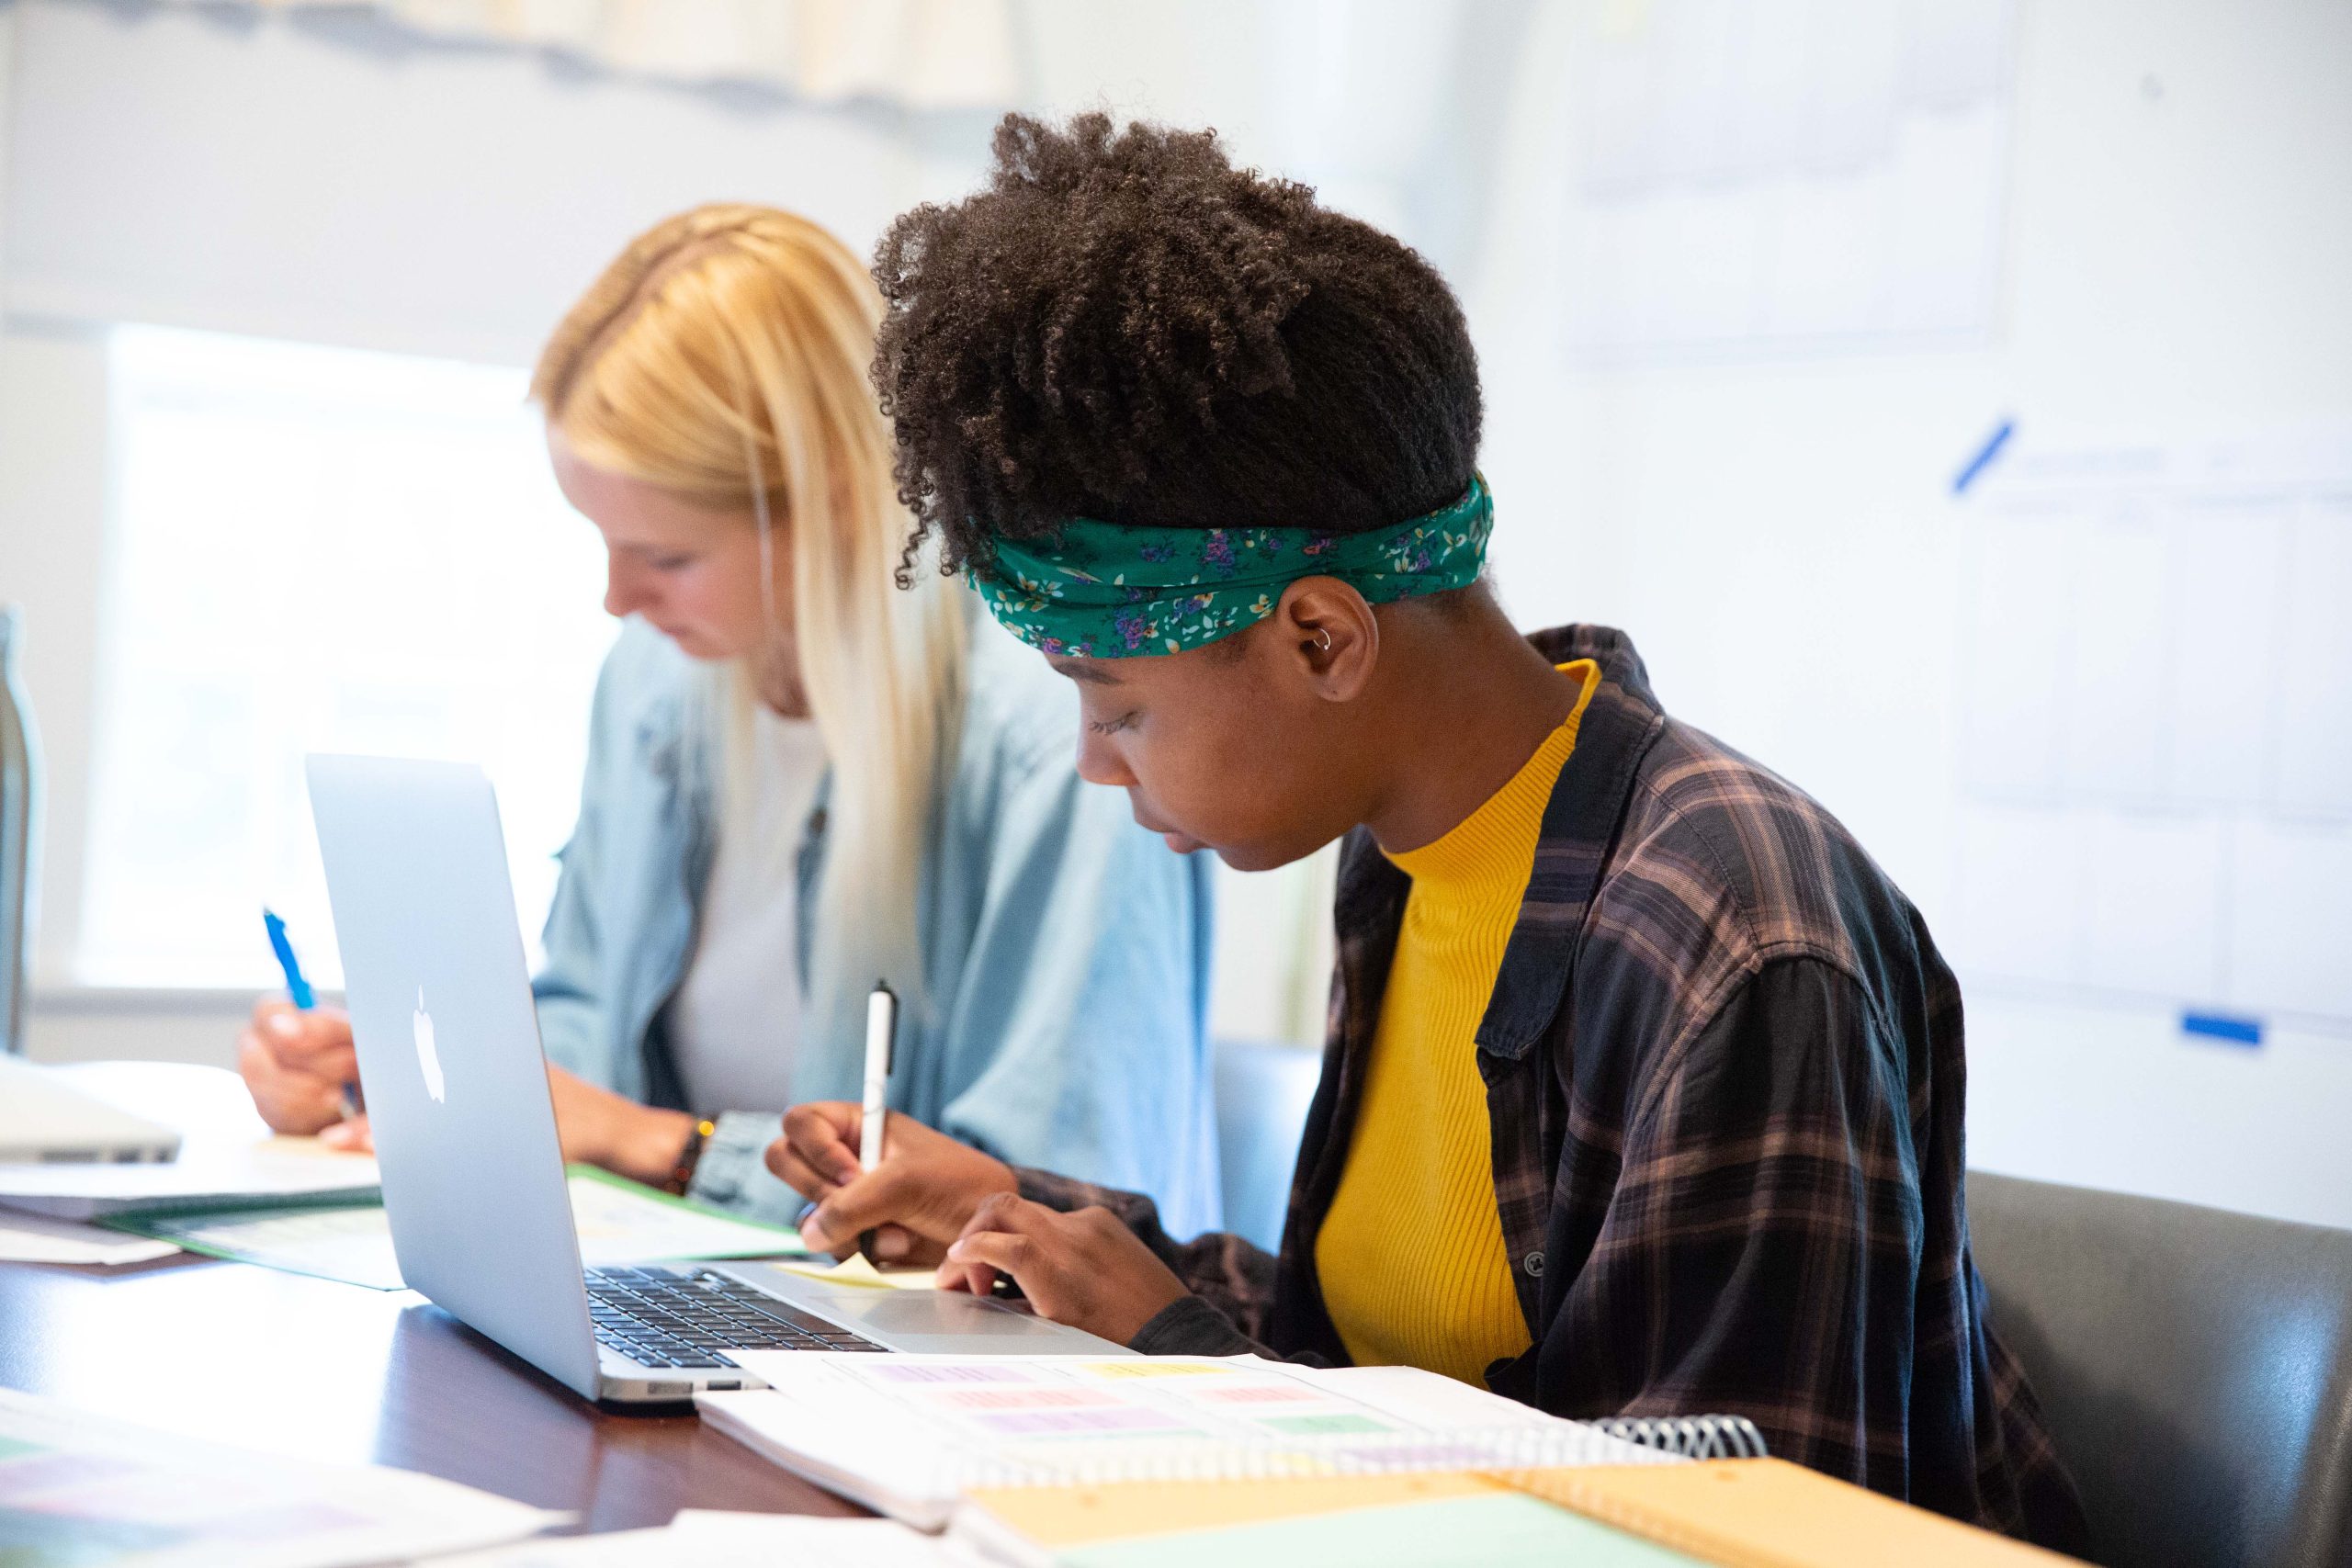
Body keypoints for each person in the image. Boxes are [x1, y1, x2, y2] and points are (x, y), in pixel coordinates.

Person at [765, 116, 2086, 1549]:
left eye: (1118, 704)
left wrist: (1189, 1351)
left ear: (1322, 637)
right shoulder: (1406, 845)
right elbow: (1414, 1364)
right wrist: (1038, 1214)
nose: (1090, 761)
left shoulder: (1736, 937)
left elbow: (1718, 1523)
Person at [236, 203, 1220, 1234]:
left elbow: (1057, 1206)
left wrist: (661, 1148)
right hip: (710, 1281)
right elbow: (586, 1043)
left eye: (666, 557)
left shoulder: (1061, 737)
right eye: (604, 543)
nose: (619, 600)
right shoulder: (654, 685)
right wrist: (402, 1085)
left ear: (837, 501)